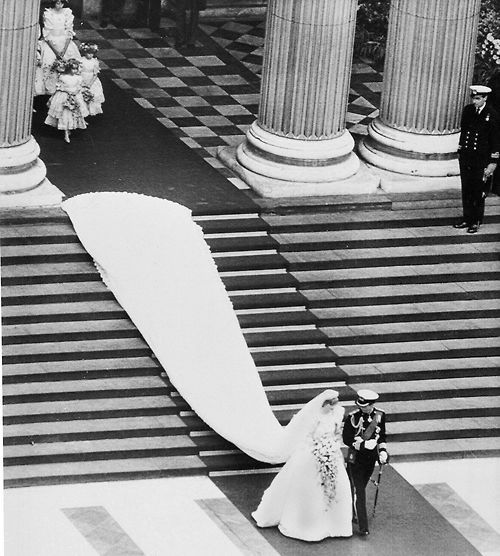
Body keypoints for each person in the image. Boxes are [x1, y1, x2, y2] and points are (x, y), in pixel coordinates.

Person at [252, 390, 353, 541]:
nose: (332, 409)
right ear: (323, 405)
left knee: (335, 487)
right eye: (329, 407)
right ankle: (306, 525)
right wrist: (318, 449)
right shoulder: (313, 417)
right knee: (309, 490)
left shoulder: (337, 414)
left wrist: (331, 447)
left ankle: (334, 524)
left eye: (333, 406)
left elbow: (337, 434)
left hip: (331, 453)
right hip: (312, 453)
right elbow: (307, 436)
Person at [453, 85, 500, 233]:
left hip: (482, 159)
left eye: (478, 98)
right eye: (474, 98)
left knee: (478, 190)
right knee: (467, 189)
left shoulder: (492, 115)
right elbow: (464, 132)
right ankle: (467, 218)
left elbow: (496, 141)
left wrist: (493, 162)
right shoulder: (468, 111)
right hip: (467, 157)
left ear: (485, 98)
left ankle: (476, 220)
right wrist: (460, 150)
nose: (475, 101)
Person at [342, 389, 388, 537]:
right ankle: (363, 527)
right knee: (359, 491)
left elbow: (381, 436)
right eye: (360, 405)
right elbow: (347, 439)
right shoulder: (352, 417)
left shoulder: (380, 415)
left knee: (360, 488)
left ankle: (352, 512)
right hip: (355, 459)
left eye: (365, 406)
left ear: (372, 404)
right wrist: (362, 445)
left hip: (370, 460)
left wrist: (383, 451)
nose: (362, 408)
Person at [35, 0, 82, 96]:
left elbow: (69, 32)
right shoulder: (48, 13)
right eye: (57, 3)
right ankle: (51, 90)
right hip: (52, 43)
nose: (60, 5)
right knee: (49, 64)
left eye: (62, 3)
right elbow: (47, 36)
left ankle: (65, 89)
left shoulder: (67, 12)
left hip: (64, 43)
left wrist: (64, 50)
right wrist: (56, 52)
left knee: (69, 64)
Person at [45, 58, 89, 143]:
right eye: (73, 69)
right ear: (69, 68)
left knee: (73, 113)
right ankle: (65, 133)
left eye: (76, 69)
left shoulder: (78, 77)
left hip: (75, 96)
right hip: (64, 96)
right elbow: (59, 87)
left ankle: (70, 128)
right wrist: (66, 91)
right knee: (64, 114)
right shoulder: (63, 77)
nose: (75, 71)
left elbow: (79, 86)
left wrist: (77, 90)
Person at [79, 43, 105, 116]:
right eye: (88, 53)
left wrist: (90, 84)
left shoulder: (95, 61)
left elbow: (95, 74)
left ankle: (92, 111)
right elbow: (79, 72)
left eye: (92, 53)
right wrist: (82, 82)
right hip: (82, 78)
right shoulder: (81, 60)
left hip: (91, 80)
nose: (90, 55)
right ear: (84, 52)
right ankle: (83, 111)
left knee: (92, 94)